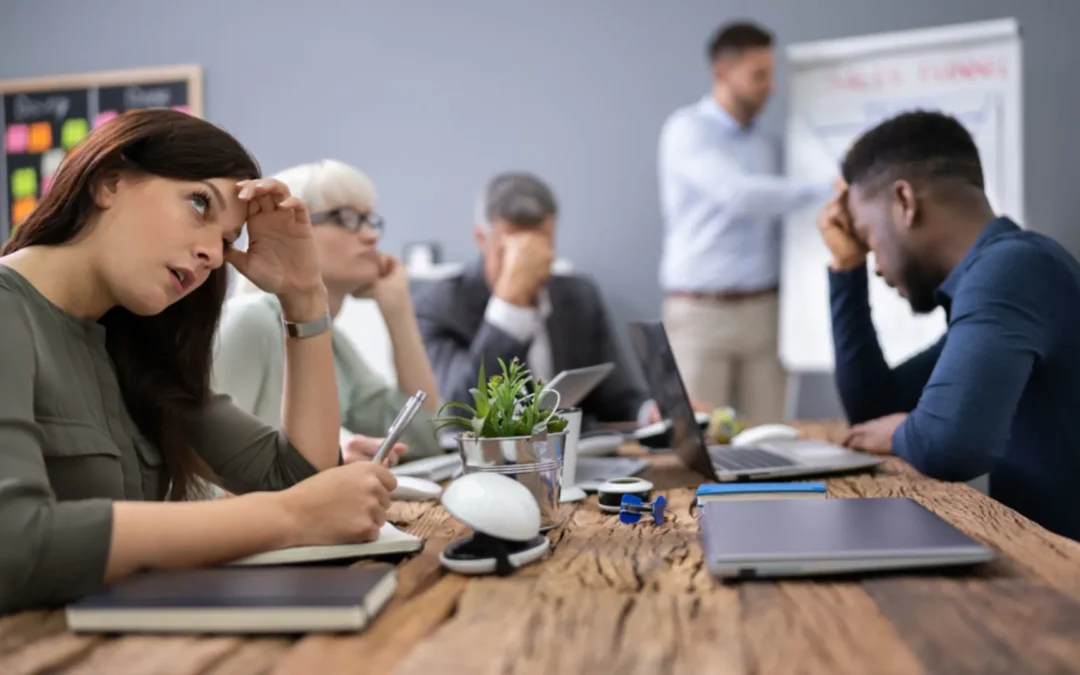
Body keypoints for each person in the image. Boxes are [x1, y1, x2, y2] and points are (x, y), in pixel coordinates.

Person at [0, 110, 400, 615]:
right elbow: (12, 544)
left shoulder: (134, 347)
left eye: (229, 241)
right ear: (109, 182)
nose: (214, 254)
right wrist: (286, 517)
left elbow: (300, 479)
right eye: (198, 203)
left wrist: (303, 295)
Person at [819, 110, 1080, 541]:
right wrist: (847, 266)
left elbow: (952, 447)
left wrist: (906, 429)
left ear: (905, 202)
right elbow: (874, 411)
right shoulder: (1006, 274)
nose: (877, 266)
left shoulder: (1010, 270)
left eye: (868, 240)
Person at [657, 21, 833, 423]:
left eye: (770, 74)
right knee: (695, 438)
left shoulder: (766, 145)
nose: (769, 85)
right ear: (722, 72)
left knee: (769, 438)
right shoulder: (687, 131)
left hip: (765, 312)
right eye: (758, 75)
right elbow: (738, 194)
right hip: (701, 314)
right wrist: (826, 188)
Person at [214, 160, 442, 463]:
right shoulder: (249, 321)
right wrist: (332, 458)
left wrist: (398, 311)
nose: (371, 237)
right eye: (346, 218)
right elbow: (205, 472)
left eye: (368, 219)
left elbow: (424, 437)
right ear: (287, 228)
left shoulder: (330, 341)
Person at [414, 171, 652, 427]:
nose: (528, 261)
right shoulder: (440, 307)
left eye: (539, 246)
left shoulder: (580, 297)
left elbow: (617, 399)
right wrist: (511, 304)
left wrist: (648, 412)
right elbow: (463, 413)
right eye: (513, 250)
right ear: (482, 239)